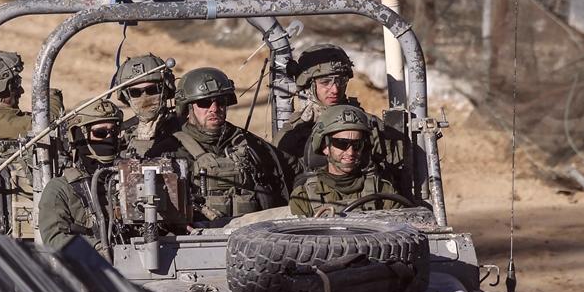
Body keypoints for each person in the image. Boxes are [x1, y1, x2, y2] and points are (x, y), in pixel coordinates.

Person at [157, 67, 289, 223]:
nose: (214, 109)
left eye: (220, 102)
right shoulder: (170, 150)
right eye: (204, 103)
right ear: (187, 109)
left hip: (249, 237)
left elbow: (289, 176)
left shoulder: (251, 144)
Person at [275, 44, 411, 189]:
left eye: (340, 81)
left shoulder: (370, 125)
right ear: (309, 84)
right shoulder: (295, 131)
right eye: (325, 82)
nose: (334, 89)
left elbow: (398, 174)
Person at [289, 104, 404, 217]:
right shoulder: (304, 197)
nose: (350, 152)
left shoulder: (382, 190)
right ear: (325, 147)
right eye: (341, 144)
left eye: (357, 144)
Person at [38, 100, 123, 252]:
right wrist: (95, 248)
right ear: (79, 136)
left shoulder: (130, 178)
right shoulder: (60, 189)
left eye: (114, 132)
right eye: (100, 133)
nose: (109, 139)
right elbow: (54, 240)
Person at [113, 53, 177, 157]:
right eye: (135, 93)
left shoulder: (184, 130)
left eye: (152, 90)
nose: (145, 97)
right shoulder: (120, 137)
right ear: (126, 97)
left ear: (165, 90)